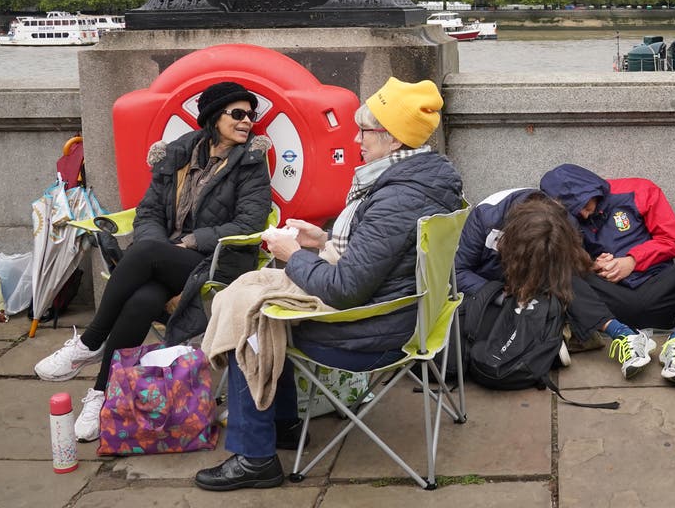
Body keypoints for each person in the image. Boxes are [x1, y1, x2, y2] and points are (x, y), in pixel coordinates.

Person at [194, 77, 463, 491]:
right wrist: (320, 241)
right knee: (258, 298)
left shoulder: (395, 197)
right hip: (412, 314)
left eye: (364, 131)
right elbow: (383, 256)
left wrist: (293, 255)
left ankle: (255, 456)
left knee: (251, 317)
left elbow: (345, 288)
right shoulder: (426, 181)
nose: (356, 139)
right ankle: (281, 424)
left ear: (393, 140)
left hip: (371, 332)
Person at [34, 81, 273, 441]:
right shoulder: (177, 155)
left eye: (251, 116)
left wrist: (188, 242)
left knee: (145, 254)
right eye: (237, 114)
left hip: (218, 264)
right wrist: (163, 247)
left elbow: (249, 223)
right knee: (143, 299)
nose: (247, 122)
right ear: (212, 117)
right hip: (166, 259)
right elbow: (148, 213)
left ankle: (92, 341)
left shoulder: (251, 164)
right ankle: (102, 394)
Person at [539, 164, 675, 386]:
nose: (582, 213)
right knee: (553, 266)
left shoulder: (639, 190)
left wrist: (632, 261)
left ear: (592, 190)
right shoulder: (568, 221)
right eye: (574, 211)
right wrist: (591, 265)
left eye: (583, 204)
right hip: (612, 304)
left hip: (661, 291)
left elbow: (672, 242)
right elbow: (569, 262)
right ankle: (624, 337)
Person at [456, 188, 649, 377]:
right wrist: (501, 295)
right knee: (493, 322)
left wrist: (594, 263)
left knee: (569, 280)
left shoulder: (564, 222)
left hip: (536, 286)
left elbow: (570, 265)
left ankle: (625, 336)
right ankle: (553, 339)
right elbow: (458, 271)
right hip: (492, 288)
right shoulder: (486, 218)